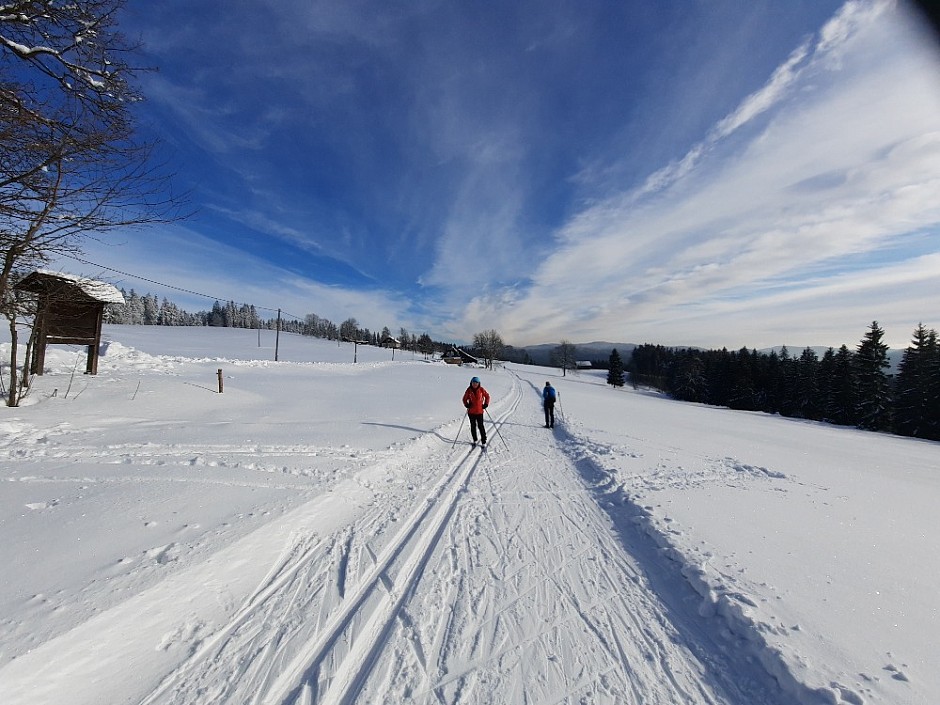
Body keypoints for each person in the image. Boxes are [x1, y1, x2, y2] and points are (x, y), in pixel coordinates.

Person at [462, 376, 490, 445]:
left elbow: (487, 396)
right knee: (473, 426)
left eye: (476, 383)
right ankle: (475, 439)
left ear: (479, 383)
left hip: (479, 412)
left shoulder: (481, 389)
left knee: (481, 426)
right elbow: (464, 399)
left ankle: (484, 440)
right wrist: (466, 405)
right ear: (471, 383)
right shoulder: (468, 390)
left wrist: (486, 404)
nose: (475, 384)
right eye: (473, 382)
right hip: (471, 412)